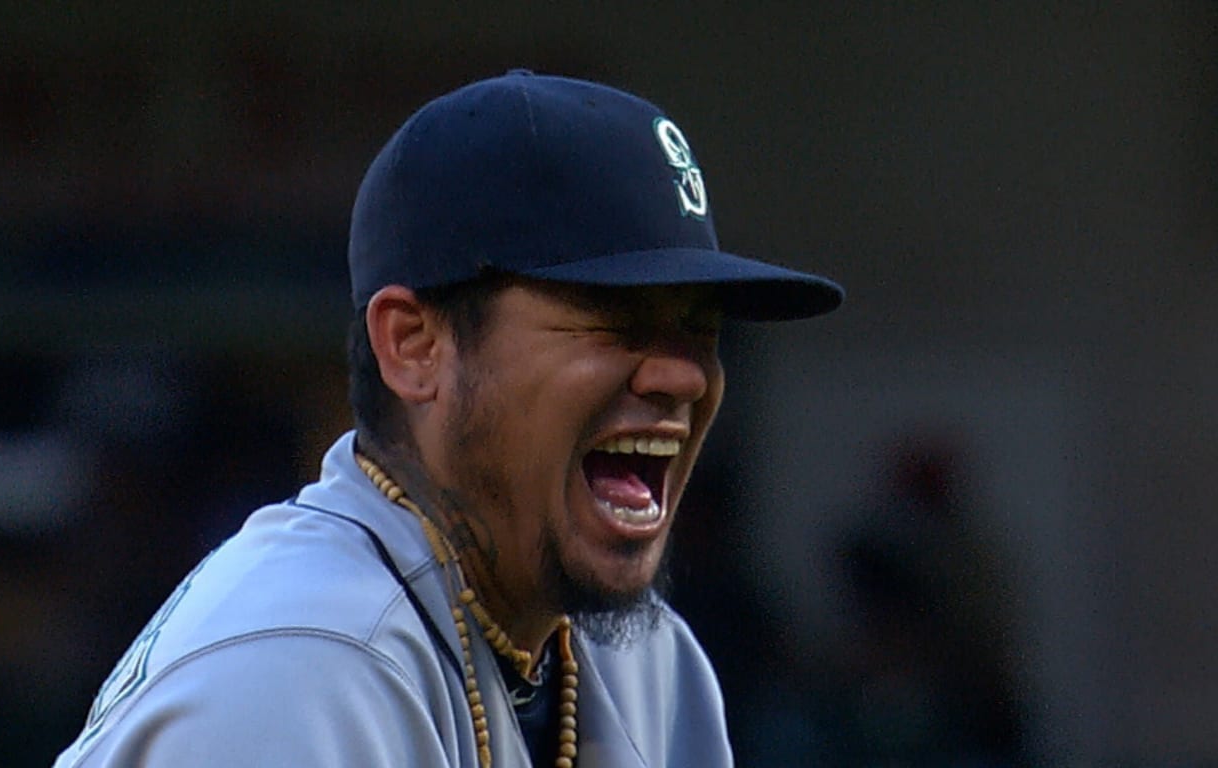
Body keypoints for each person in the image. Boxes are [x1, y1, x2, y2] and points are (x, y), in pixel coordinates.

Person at [53, 69, 843, 768]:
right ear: (414, 346)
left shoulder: (649, 663)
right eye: (612, 319)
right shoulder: (299, 672)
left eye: (699, 329)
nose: (680, 374)